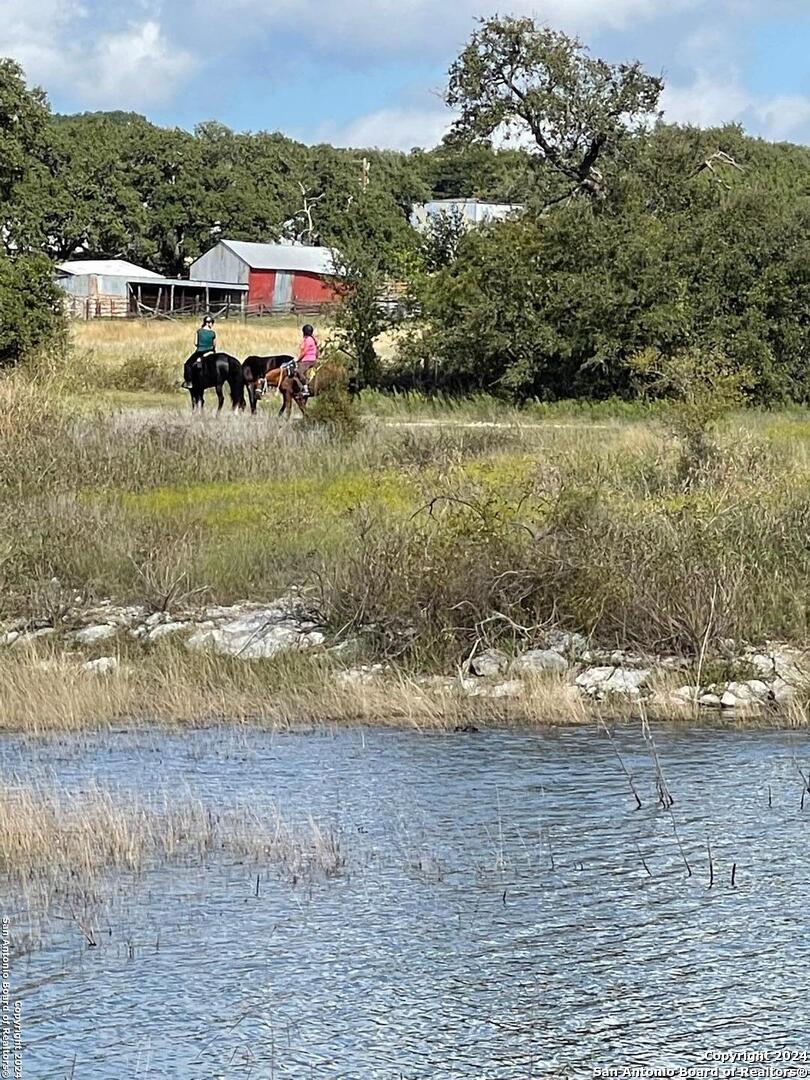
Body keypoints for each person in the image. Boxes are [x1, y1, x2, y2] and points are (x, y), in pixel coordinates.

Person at [183, 316, 216, 388]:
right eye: (212, 323)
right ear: (209, 323)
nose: (212, 325)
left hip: (200, 352)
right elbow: (214, 344)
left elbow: (195, 343)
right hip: (211, 352)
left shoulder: (199, 331)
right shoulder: (213, 333)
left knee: (187, 364)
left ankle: (189, 382)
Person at [297, 324, 318, 395]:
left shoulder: (308, 340)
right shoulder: (312, 339)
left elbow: (304, 352)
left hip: (308, 360)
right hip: (311, 359)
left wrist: (298, 359)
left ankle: (305, 389)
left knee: (299, 371)